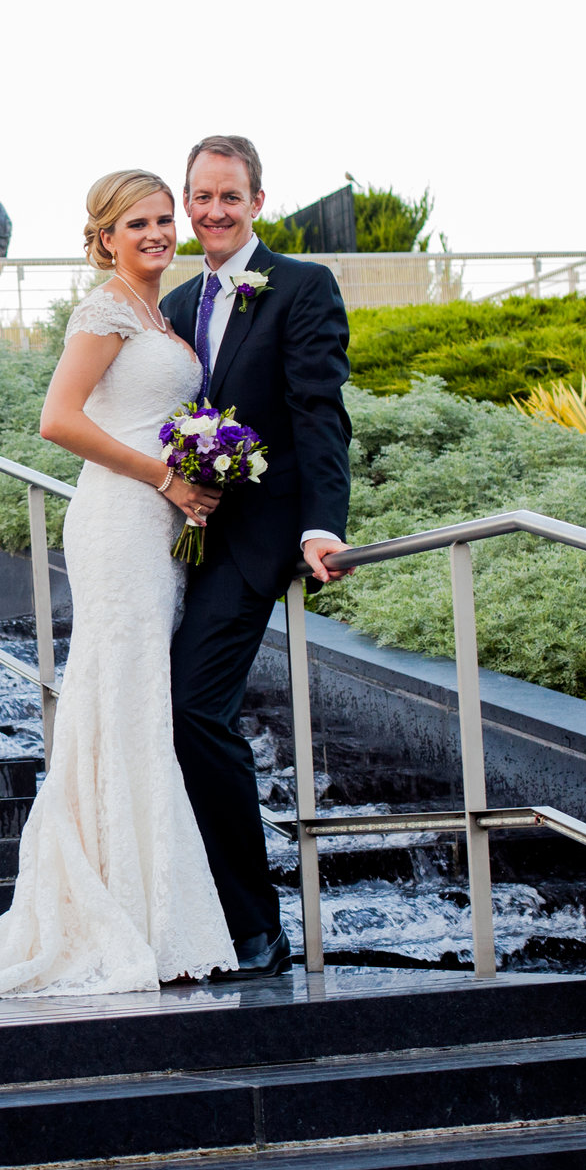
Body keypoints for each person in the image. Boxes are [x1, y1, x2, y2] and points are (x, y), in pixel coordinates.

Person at [0, 170, 238, 996]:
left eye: (167, 219)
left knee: (131, 698)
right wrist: (166, 477)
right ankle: (126, 910)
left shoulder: (160, 312)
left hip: (154, 526)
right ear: (105, 237)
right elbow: (58, 418)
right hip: (121, 519)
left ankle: (144, 899)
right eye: (140, 222)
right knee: (121, 694)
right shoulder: (104, 309)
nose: (161, 232)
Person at [162, 135, 354, 981]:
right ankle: (195, 913)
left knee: (196, 709)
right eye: (199, 195)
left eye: (228, 196)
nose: (212, 210)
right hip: (175, 544)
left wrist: (321, 524)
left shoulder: (302, 287)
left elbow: (319, 412)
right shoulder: (169, 304)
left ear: (257, 201)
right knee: (168, 714)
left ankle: (256, 928)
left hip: (255, 539)